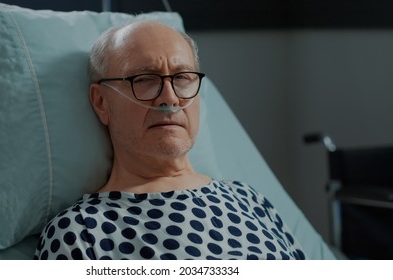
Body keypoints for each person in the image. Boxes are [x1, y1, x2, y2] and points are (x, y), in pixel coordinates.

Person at [34, 20, 306, 260]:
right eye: (145, 79)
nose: (170, 98)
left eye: (183, 77)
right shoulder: (80, 233)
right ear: (102, 102)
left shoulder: (249, 200)